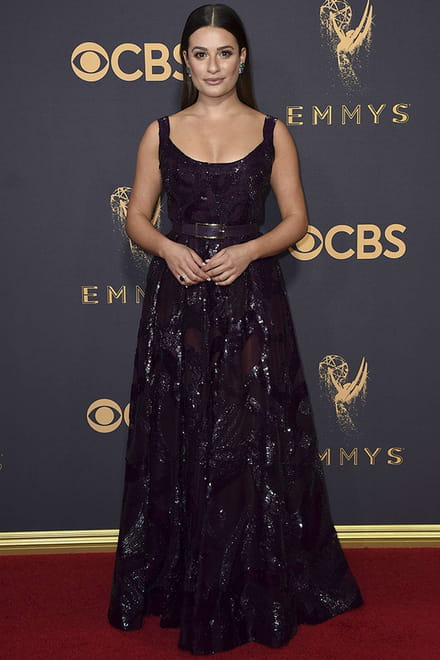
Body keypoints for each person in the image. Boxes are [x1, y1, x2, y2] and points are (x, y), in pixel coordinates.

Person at [108, 3, 363, 654]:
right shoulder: (159, 132)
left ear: (241, 58)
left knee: (252, 436)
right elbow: (136, 216)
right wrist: (167, 248)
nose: (213, 65)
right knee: (185, 430)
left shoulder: (273, 132)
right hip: (180, 298)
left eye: (224, 52)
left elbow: (296, 219)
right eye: (200, 53)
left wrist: (249, 250)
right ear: (184, 61)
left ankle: (254, 584)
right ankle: (182, 582)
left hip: (251, 297)